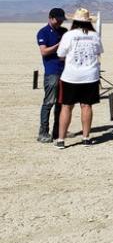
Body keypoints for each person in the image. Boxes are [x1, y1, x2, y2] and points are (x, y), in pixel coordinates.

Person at [55, 8, 103, 149]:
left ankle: (61, 139)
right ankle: (86, 137)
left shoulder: (69, 35)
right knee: (86, 106)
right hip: (90, 76)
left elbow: (60, 54)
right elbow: (99, 52)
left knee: (66, 106)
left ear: (75, 21)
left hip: (71, 76)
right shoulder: (95, 35)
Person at [36, 8, 67, 143]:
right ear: (51, 18)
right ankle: (43, 132)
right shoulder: (43, 32)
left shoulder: (64, 31)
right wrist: (59, 45)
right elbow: (44, 52)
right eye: (58, 20)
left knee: (61, 103)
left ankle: (57, 130)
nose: (60, 22)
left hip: (65, 72)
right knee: (49, 102)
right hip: (52, 72)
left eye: (61, 20)